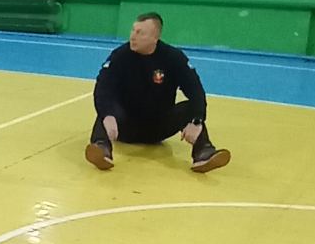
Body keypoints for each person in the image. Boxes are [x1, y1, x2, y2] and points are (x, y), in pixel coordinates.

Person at [86, 13, 231, 174]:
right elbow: (103, 88)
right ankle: (101, 149)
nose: (133, 36)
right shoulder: (120, 56)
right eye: (133, 30)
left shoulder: (173, 58)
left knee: (190, 108)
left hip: (159, 126)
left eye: (140, 33)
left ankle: (203, 152)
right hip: (124, 126)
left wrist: (197, 120)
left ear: (155, 37)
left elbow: (195, 90)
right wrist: (108, 115)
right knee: (107, 108)